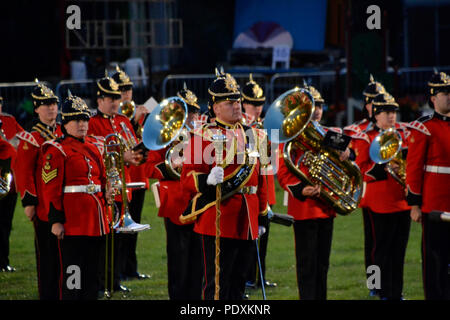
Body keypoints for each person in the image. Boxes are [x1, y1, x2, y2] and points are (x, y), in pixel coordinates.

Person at [179, 70, 268, 300]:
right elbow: (186, 179)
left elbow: (262, 178)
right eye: (230, 102)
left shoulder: (255, 135)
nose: (237, 106)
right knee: (217, 286)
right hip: (218, 216)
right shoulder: (202, 136)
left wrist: (262, 213)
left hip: (247, 218)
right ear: (215, 107)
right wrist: (206, 179)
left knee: (239, 284)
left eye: (238, 101)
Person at [276, 85, 352, 300]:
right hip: (305, 207)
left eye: (319, 105)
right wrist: (301, 189)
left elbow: (350, 156)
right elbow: (283, 172)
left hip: (326, 206)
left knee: (322, 265)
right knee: (307, 266)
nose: (317, 110)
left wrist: (347, 152)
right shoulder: (292, 136)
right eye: (312, 106)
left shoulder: (329, 133)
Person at [41, 93, 111, 300]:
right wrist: (56, 221)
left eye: (84, 120)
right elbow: (50, 189)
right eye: (76, 120)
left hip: (96, 220)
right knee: (74, 273)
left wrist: (107, 192)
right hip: (73, 221)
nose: (82, 125)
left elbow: (102, 177)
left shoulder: (92, 146)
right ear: (66, 123)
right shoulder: (56, 149)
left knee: (92, 273)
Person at [145, 84, 203, 299]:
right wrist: (172, 167)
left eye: (193, 111)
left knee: (199, 261)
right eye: (186, 110)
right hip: (176, 203)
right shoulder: (164, 135)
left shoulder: (201, 134)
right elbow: (149, 167)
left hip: (200, 200)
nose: (191, 115)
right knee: (179, 260)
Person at [351, 92, 411, 300]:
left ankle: (396, 291)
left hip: (402, 201)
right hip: (378, 202)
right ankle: (378, 288)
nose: (391, 115)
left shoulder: (402, 135)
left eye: (393, 111)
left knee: (399, 252)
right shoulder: (366, 137)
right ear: (375, 115)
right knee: (378, 251)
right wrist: (382, 166)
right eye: (386, 112)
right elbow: (361, 170)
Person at [87, 73, 142, 294]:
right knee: (104, 239)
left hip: (123, 187)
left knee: (119, 239)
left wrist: (139, 154)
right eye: (110, 99)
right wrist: (122, 155)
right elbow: (92, 152)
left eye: (116, 98)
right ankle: (99, 283)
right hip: (105, 189)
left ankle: (114, 280)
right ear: (99, 100)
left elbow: (134, 147)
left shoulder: (123, 121)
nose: (114, 103)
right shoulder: (91, 123)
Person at [14, 80, 62, 299]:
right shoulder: (32, 138)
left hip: (64, 204)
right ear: (36, 109)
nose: (51, 107)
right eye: (45, 104)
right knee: (47, 257)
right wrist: (29, 202)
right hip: (43, 206)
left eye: (53, 103)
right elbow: (23, 172)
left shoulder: (62, 132)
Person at [406, 70, 450, 300]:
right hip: (434, 206)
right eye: (444, 93)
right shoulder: (423, 127)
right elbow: (413, 169)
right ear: (433, 98)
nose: (449, 97)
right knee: (435, 262)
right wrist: (414, 204)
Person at [343, 75, 386, 297]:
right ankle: (374, 283)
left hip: (392, 193)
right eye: (371, 102)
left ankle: (389, 286)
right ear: (366, 105)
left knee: (390, 244)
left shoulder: (392, 127)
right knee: (373, 242)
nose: (375, 106)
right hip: (369, 192)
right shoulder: (355, 130)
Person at [112, 66, 150, 281]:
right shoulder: (117, 116)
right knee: (121, 225)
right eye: (121, 89)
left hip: (140, 175)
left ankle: (130, 268)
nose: (126, 93)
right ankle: (119, 269)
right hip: (125, 177)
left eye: (128, 88)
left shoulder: (142, 109)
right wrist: (134, 121)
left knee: (134, 224)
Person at [241, 74, 277, 290]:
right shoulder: (242, 127)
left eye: (260, 104)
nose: (257, 108)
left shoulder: (265, 126)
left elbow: (270, 159)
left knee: (263, 238)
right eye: (253, 104)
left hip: (265, 190)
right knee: (248, 237)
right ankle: (247, 276)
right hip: (249, 189)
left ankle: (259, 277)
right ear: (244, 103)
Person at [0, 96, 24, 272]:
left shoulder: (9, 120)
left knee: (6, 224)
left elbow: (23, 140)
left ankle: (3, 261)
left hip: (8, 182)